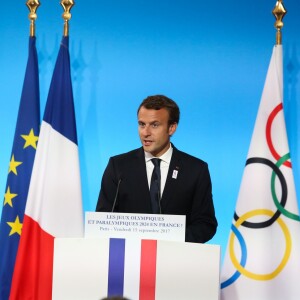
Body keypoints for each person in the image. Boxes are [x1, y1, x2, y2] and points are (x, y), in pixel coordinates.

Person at [96, 95, 217, 243]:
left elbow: (205, 224)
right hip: (131, 260)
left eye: (154, 125)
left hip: (176, 260)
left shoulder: (195, 170)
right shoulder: (118, 166)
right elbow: (103, 220)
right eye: (141, 124)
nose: (145, 132)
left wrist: (170, 239)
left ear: (171, 128)